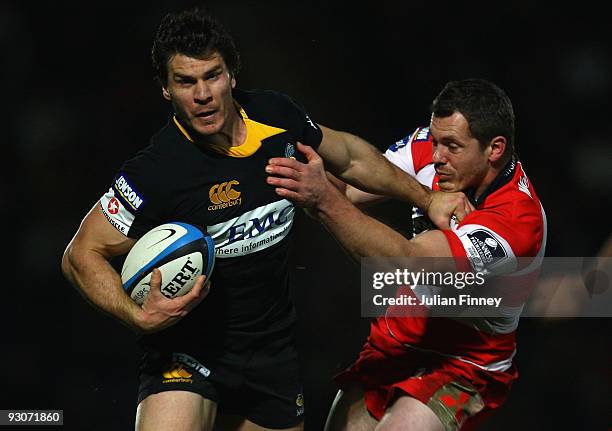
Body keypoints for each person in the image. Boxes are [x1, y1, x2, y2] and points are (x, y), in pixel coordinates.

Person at [60, 9, 469, 431]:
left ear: (232, 76)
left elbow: (347, 156)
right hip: (186, 353)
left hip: (270, 355)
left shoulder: (276, 117)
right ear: (166, 90)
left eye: (212, 76)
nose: (203, 94)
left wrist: (427, 196)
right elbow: (80, 254)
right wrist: (137, 316)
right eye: (185, 81)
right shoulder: (156, 171)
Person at [266, 79, 547, 430]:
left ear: (495, 149)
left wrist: (323, 199)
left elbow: (405, 262)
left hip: (464, 362)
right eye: (435, 140)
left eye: (452, 146)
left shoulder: (516, 223)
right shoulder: (434, 148)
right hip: (398, 338)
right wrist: (280, 122)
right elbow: (349, 178)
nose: (435, 157)